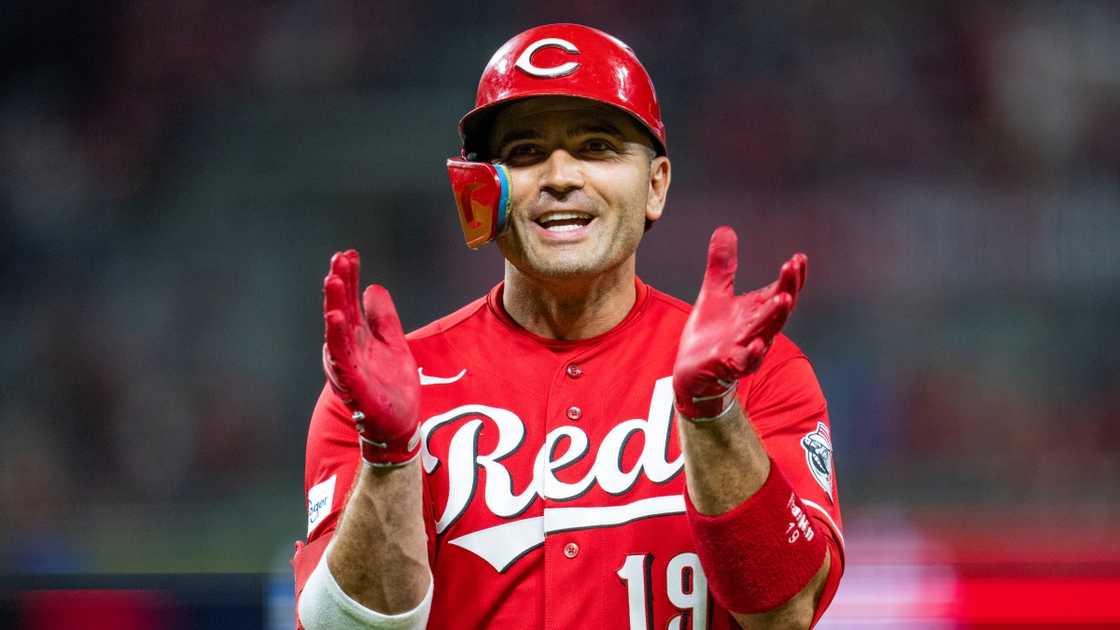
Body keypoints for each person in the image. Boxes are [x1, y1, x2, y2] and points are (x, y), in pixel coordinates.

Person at [292, 23, 844, 630]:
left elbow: (787, 615)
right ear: (479, 188)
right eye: (525, 152)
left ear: (655, 184)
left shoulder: (758, 373)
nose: (560, 176)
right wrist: (390, 455)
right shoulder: (380, 391)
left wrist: (713, 413)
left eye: (597, 147)